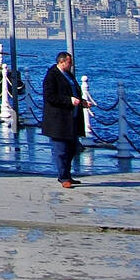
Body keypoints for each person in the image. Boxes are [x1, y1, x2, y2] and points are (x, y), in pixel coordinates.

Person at [42, 51, 90, 188]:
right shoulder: (52, 75)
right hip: (59, 120)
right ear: (62, 62)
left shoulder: (68, 75)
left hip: (72, 118)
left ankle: (67, 174)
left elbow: (73, 92)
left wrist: (82, 102)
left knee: (73, 148)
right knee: (61, 149)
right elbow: (50, 96)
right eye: (69, 62)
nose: (72, 64)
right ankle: (63, 177)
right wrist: (69, 100)